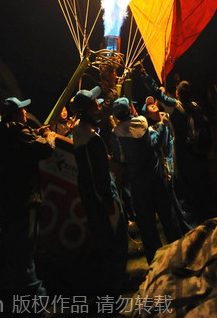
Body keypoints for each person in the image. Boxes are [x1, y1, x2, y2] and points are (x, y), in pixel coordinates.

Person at [0, 96, 55, 297]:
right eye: (21, 110)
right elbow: (45, 149)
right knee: (26, 243)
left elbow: (21, 143)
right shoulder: (20, 132)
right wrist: (50, 137)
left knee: (12, 243)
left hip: (6, 197)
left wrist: (36, 132)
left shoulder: (3, 132)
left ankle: (10, 283)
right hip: (24, 197)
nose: (25, 112)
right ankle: (33, 291)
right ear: (14, 114)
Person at [137, 69, 215, 225]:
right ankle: (209, 209)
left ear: (178, 94)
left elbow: (157, 93)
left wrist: (144, 75)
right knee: (201, 179)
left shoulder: (175, 106)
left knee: (184, 182)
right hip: (199, 150)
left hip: (183, 150)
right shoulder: (195, 106)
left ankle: (194, 216)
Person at [70, 85, 128, 294]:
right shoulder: (92, 138)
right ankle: (116, 286)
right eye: (95, 101)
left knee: (102, 240)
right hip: (101, 196)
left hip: (89, 194)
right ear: (88, 108)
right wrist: (108, 200)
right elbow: (99, 174)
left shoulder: (78, 128)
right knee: (115, 239)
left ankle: (107, 283)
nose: (99, 102)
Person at [111, 96, 181, 263]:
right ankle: (180, 252)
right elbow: (155, 143)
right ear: (129, 110)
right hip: (155, 177)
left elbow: (120, 158)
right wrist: (163, 125)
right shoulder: (142, 121)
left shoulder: (116, 133)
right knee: (167, 217)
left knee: (147, 225)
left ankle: (155, 263)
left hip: (137, 182)